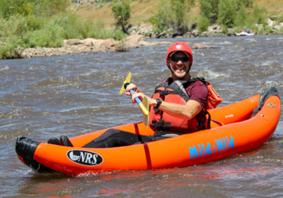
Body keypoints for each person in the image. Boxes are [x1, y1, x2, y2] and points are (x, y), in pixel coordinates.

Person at [48, 42, 209, 148]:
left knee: (113, 137)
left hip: (182, 142)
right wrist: (140, 96)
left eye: (183, 59)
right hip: (159, 138)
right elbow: (151, 115)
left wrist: (154, 102)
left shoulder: (198, 87)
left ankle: (74, 155)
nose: (179, 63)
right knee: (114, 135)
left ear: (190, 63)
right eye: (175, 58)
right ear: (168, 62)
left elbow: (188, 112)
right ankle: (75, 152)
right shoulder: (164, 85)